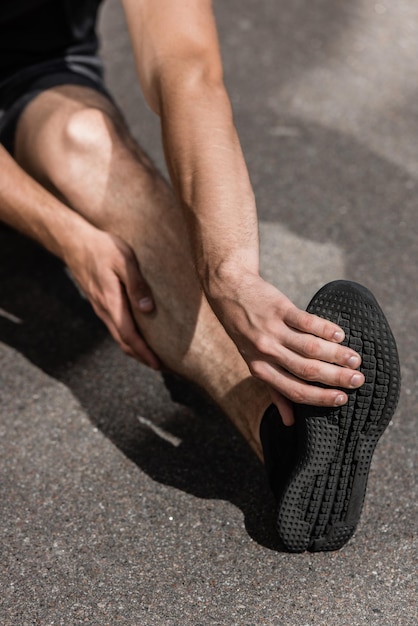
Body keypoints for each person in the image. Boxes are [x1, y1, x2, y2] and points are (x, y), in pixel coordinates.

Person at [0, 0, 400, 552]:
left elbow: (187, 67)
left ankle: (281, 436)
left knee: (86, 140)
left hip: (31, 74)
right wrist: (70, 237)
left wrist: (230, 273)